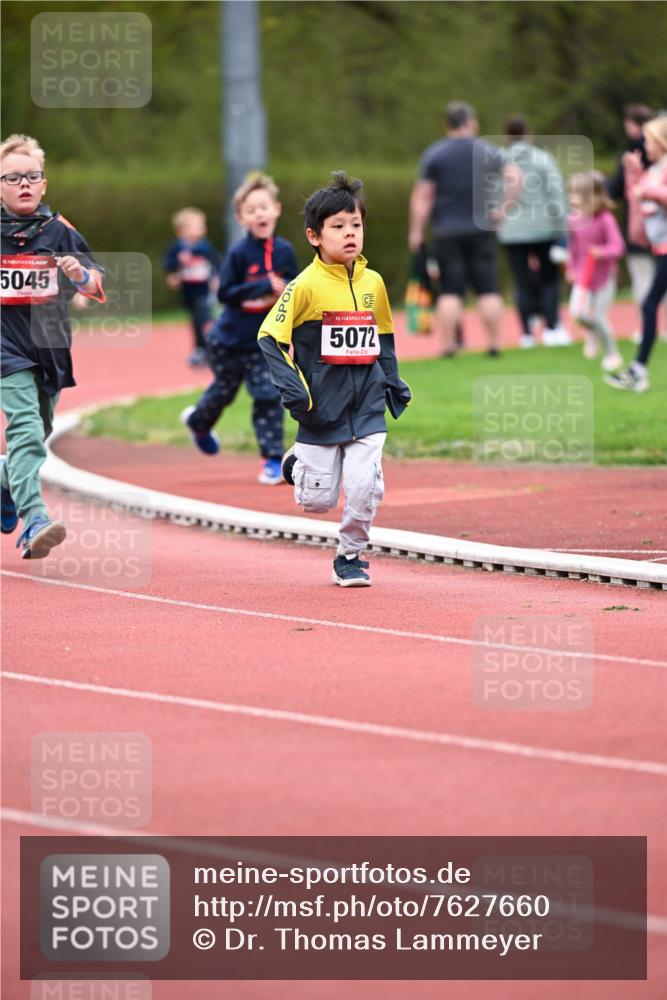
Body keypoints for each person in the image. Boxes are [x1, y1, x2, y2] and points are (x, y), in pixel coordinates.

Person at [258, 172, 412, 587]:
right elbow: (269, 337)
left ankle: (350, 556)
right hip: (320, 408)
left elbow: (384, 338)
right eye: (338, 226)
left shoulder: (373, 283)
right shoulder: (304, 286)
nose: (350, 234)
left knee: (365, 488)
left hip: (366, 404)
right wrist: (296, 393)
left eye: (356, 225)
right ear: (314, 235)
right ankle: (296, 462)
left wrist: (393, 382)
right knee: (318, 501)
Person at [0, 133, 105, 558]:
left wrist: (78, 273)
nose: (24, 184)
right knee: (24, 431)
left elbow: (97, 287)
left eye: (33, 176)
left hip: (51, 348)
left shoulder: (59, 231)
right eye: (13, 177)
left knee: (37, 434)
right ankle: (36, 520)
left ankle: (6, 480)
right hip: (6, 349)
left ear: (44, 183)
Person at [180, 173, 298, 484]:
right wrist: (260, 286)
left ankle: (272, 459)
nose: (259, 214)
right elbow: (224, 293)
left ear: (277, 209)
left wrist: (282, 290)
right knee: (223, 392)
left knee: (267, 395)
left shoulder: (285, 251)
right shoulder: (238, 253)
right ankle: (198, 422)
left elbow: (299, 290)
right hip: (229, 340)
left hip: (265, 342)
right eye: (251, 210)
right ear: (241, 218)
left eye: (264, 207)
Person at [408, 101, 503, 357]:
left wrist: (416, 231)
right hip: (480, 228)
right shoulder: (487, 150)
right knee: (487, 289)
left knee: (450, 290)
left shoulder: (435, 154)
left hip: (446, 229)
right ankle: (494, 344)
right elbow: (515, 176)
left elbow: (423, 196)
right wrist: (502, 210)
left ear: (446, 124)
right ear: (471, 122)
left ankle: (448, 345)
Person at [497, 114, 571, 348]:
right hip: (543, 228)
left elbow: (492, 196)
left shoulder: (499, 160)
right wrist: (563, 230)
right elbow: (556, 194)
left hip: (512, 230)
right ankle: (552, 328)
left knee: (521, 281)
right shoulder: (543, 159)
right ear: (528, 133)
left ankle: (526, 334)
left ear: (507, 135)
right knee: (549, 278)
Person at [606, 116, 667, 392]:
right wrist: (633, 175)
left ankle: (638, 370)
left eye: (650, 140)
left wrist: (649, 191)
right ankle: (638, 370)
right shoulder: (655, 169)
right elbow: (638, 208)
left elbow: (657, 195)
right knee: (649, 303)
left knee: (650, 303)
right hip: (661, 248)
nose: (645, 145)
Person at [566, 172, 624, 371]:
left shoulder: (605, 219)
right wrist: (570, 268)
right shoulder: (573, 220)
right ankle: (593, 333)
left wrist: (602, 252)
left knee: (600, 317)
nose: (571, 198)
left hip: (604, 276)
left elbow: (618, 247)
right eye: (571, 193)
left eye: (576, 194)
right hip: (583, 276)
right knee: (576, 313)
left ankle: (612, 354)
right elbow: (572, 248)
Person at [163, 207, 219, 367]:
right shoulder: (177, 248)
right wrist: (175, 271)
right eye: (198, 225)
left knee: (205, 319)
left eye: (202, 225)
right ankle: (200, 349)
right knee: (196, 322)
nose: (203, 228)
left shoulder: (205, 247)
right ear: (182, 230)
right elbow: (169, 265)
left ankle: (211, 349)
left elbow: (215, 263)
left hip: (204, 291)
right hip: (189, 293)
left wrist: (216, 278)